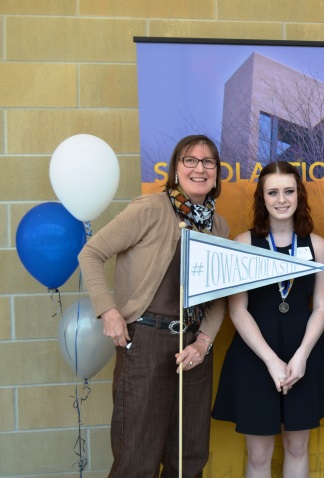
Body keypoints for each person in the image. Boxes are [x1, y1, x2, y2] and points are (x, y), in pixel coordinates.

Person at [78, 134, 229, 477]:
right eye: (190, 160)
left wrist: (203, 343)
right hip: (145, 344)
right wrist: (109, 310)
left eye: (208, 162)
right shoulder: (149, 209)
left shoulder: (219, 226)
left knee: (188, 459)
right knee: (137, 458)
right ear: (176, 169)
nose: (199, 168)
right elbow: (91, 253)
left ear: (217, 173)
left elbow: (219, 296)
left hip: (193, 351)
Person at [212, 161, 324, 478]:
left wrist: (301, 356)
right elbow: (238, 310)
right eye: (273, 193)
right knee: (259, 456)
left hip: (305, 353)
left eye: (288, 191)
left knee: (298, 448)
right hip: (255, 356)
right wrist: (271, 361)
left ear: (298, 195)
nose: (282, 199)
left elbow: (322, 308)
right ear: (262, 198)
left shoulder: (318, 245)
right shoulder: (244, 243)